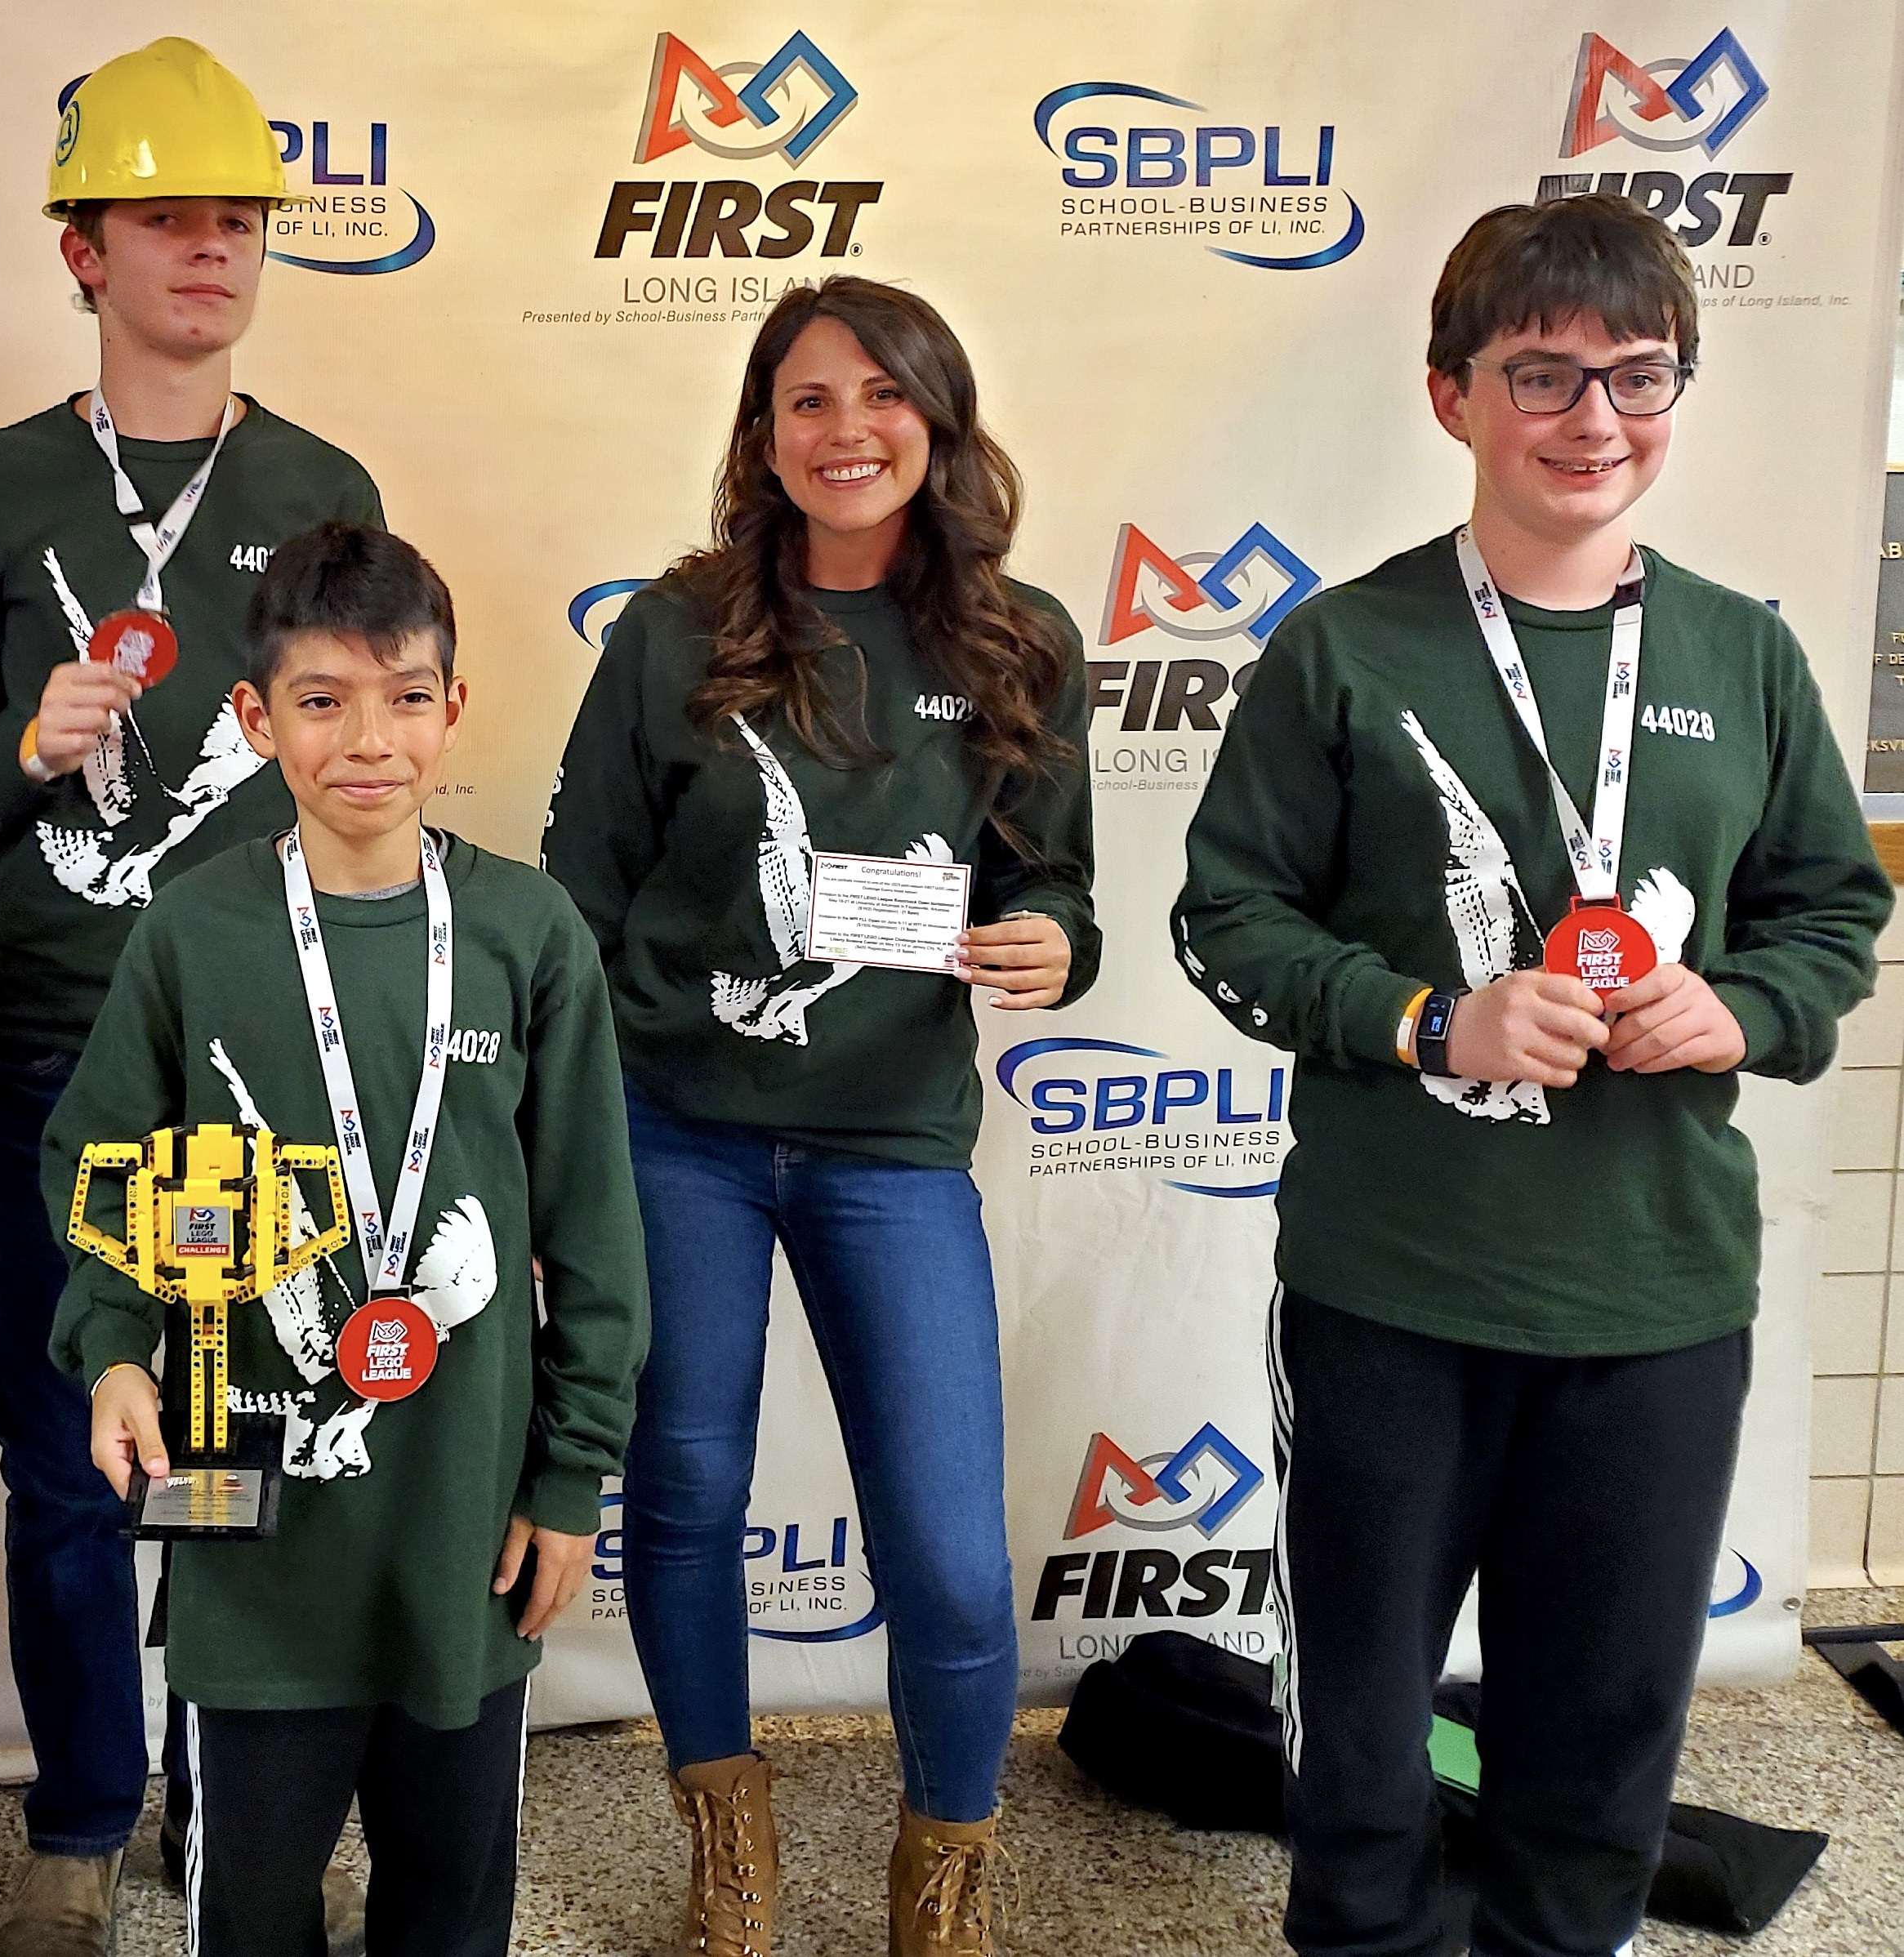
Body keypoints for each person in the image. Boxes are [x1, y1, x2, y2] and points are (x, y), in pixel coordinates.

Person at [1171, 193, 1891, 1957]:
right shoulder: (1344, 647)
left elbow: (1825, 914)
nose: (1593, 419)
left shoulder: (1742, 653)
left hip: (1650, 1298)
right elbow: (1223, 920)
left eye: (1637, 375)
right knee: (1360, 1735)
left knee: (1599, 1745)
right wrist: (1429, 1019)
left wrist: (1737, 1008)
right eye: (1542, 374)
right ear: (1452, 395)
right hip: (1392, 1290)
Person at [544, 277, 1099, 1957]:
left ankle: (943, 1872)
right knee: (688, 1489)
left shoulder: (1021, 640)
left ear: (936, 421)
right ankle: (728, 1843)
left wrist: (1050, 939)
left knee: (939, 1538)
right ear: (761, 433)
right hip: (677, 1127)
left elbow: (1054, 880)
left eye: (879, 396)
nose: (844, 429)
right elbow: (581, 884)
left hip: (890, 1142)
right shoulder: (675, 629)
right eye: (805, 399)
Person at [0, 38, 383, 1955]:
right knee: (63, 1448)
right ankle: (81, 1820)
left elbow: (368, 772)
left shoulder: (318, 481)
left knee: (235, 1441)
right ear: (82, 250)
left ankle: (226, 1804)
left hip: (263, 1047)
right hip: (50, 1043)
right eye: (166, 215)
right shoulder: (0, 481)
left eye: (239, 218)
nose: (210, 247)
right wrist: (23, 744)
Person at [43, 519, 648, 1957]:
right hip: (248, 1532)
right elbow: (99, 1172)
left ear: (454, 709)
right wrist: (119, 1355)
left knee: (451, 1905)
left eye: (405, 696)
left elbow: (597, 1231)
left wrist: (571, 1475)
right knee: (248, 1909)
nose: (366, 738)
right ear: (254, 720)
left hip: (462, 1526)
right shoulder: (193, 934)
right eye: (321, 699)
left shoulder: (529, 932)